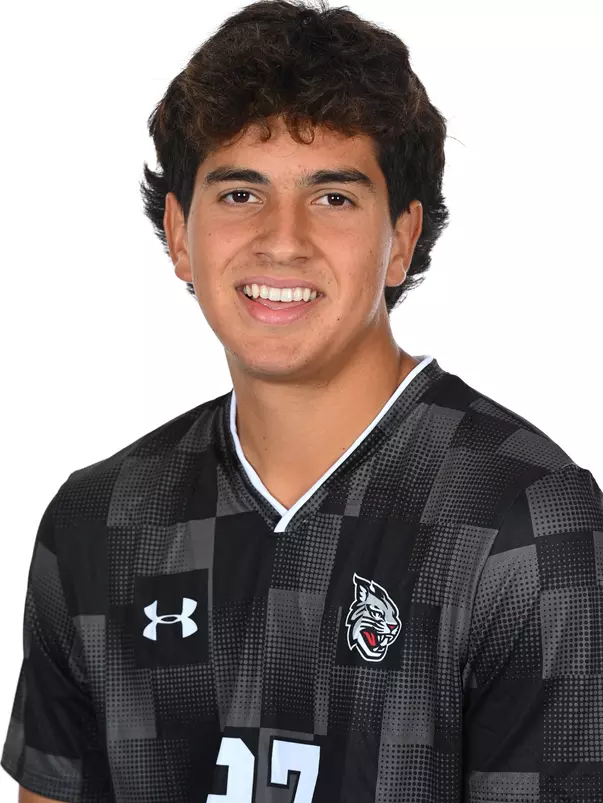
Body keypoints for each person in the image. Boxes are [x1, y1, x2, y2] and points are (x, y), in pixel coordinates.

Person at [3, 1, 602, 801]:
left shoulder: (526, 523)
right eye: (240, 194)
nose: (282, 239)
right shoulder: (97, 520)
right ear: (180, 234)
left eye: (333, 197)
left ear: (403, 238)